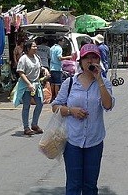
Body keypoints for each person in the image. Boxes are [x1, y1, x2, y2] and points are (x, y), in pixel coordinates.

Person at [51, 44, 114, 195]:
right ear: (81, 61)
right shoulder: (70, 82)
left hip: (94, 140)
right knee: (73, 184)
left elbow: (108, 105)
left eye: (94, 57)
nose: (90, 61)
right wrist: (71, 111)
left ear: (99, 60)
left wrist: (99, 79)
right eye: (87, 58)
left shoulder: (104, 83)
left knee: (90, 185)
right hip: (73, 140)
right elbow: (55, 106)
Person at [14, 40, 48, 136]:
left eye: (36, 46)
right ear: (28, 48)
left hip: (36, 84)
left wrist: (45, 70)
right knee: (26, 106)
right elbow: (21, 72)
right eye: (34, 46)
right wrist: (28, 84)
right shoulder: (23, 59)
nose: (36, 48)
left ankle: (34, 124)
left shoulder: (37, 57)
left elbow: (40, 67)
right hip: (26, 85)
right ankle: (26, 127)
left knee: (40, 103)